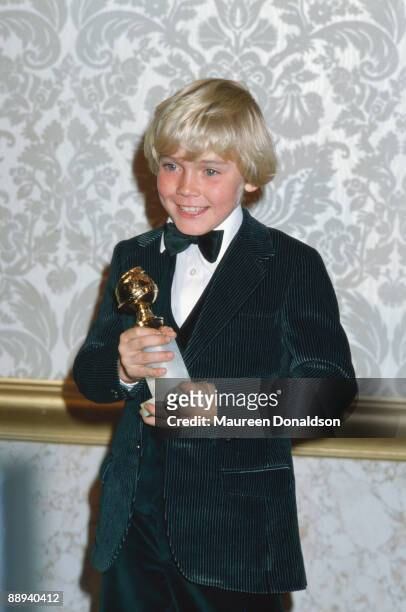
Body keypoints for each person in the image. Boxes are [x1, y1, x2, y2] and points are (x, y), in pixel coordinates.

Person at [73, 78, 356, 611]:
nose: (185, 187)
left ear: (248, 177)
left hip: (237, 537)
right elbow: (88, 375)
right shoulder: (134, 254)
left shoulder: (292, 264)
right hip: (133, 527)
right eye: (172, 164)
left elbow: (330, 396)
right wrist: (121, 367)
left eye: (210, 169)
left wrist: (219, 405)